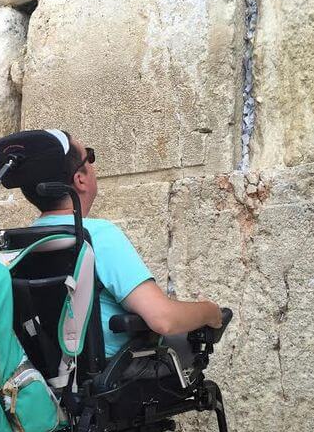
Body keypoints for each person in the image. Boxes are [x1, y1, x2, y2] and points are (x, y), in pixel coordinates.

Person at [23, 129, 223, 358]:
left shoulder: (19, 243)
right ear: (80, 179)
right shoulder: (96, 235)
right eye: (90, 157)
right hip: (110, 380)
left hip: (48, 375)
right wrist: (209, 311)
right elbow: (163, 319)